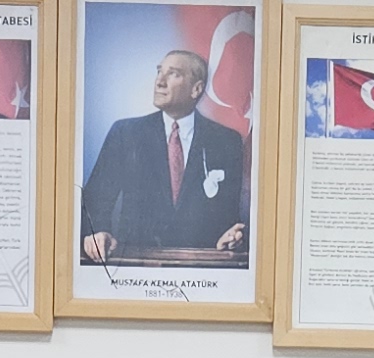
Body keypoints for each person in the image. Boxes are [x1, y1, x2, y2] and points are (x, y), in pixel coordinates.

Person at [79, 48, 250, 263]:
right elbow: (95, 201)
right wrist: (97, 232)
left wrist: (230, 238)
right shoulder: (126, 134)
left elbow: (230, 217)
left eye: (173, 74)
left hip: (201, 268)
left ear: (196, 89)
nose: (159, 81)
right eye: (159, 72)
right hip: (135, 266)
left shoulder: (226, 141)